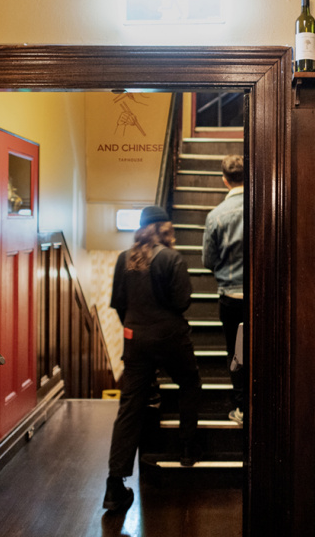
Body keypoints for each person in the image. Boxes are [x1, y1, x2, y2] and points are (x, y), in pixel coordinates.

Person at [103, 206, 202, 512]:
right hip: (170, 336)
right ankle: (187, 448)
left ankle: (114, 485)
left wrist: (135, 327)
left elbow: (118, 303)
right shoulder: (172, 258)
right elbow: (182, 302)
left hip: (135, 338)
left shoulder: (125, 258)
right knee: (189, 382)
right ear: (164, 228)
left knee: (130, 406)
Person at [201, 154, 245, 424]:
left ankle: (241, 408)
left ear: (224, 180)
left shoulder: (216, 216)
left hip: (231, 296)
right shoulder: (263, 208)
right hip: (261, 296)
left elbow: (208, 261)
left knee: (236, 353)